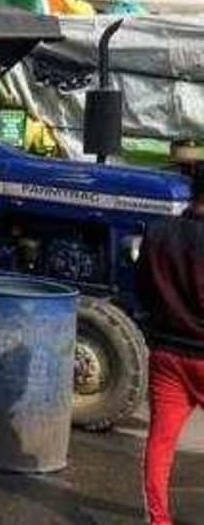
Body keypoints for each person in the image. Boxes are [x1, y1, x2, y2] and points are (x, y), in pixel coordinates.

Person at [135, 163, 204, 525]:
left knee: (160, 443)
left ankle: (159, 520)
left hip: (166, 356)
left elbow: (141, 292)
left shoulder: (158, 233)